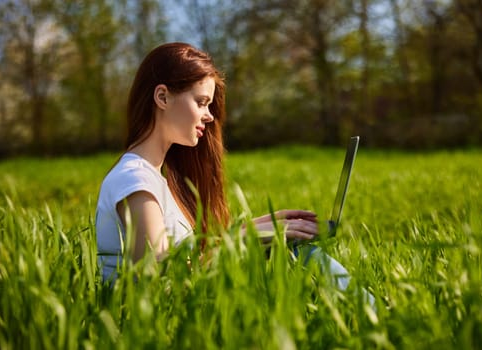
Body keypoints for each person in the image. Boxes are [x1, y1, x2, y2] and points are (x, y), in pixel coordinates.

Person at [95, 43, 364, 297]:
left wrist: (258, 228)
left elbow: (187, 260)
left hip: (182, 314)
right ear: (162, 97)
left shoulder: (155, 179)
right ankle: (373, 315)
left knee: (290, 250)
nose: (209, 115)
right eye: (201, 102)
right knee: (300, 257)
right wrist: (242, 240)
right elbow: (158, 278)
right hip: (155, 329)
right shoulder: (135, 180)